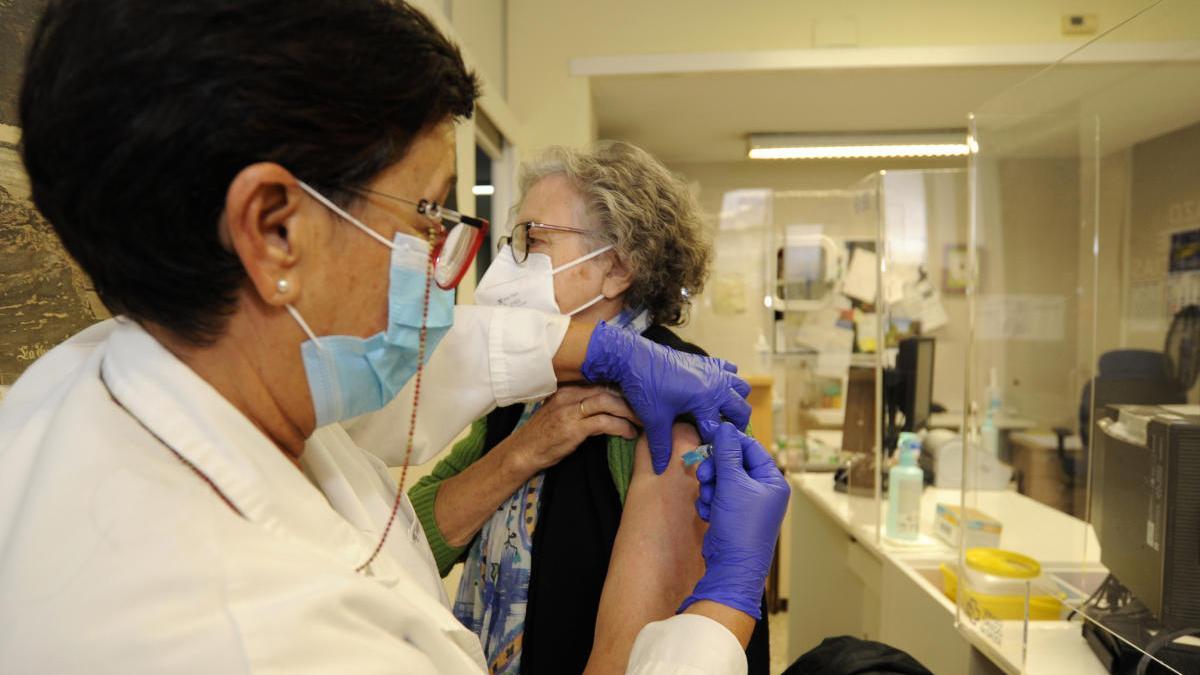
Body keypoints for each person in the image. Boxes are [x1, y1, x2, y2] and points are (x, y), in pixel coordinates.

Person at [0, 1, 790, 674]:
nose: (455, 262)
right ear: (274, 231)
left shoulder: (96, 387)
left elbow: (424, 412)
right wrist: (719, 609)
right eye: (428, 214)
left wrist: (595, 353)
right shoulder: (255, 632)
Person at [407, 141, 770, 674]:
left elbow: (642, 652)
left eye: (533, 239)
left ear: (617, 270)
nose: (509, 261)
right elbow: (413, 538)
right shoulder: (528, 390)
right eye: (513, 240)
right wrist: (523, 452)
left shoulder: (675, 392)